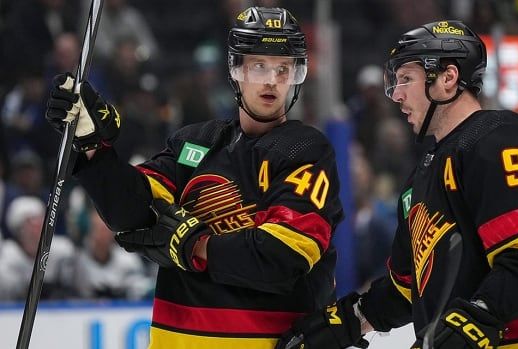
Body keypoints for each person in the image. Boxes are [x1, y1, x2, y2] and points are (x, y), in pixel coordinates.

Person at [277, 20, 518, 349]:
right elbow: (406, 290)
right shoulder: (420, 179)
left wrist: (473, 320)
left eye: (406, 79)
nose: (396, 94)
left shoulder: (500, 138)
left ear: (448, 78)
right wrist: (348, 321)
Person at [45, 6, 343, 349]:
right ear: (236, 70)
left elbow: (282, 257)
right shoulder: (194, 143)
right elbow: (130, 214)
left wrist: (194, 245)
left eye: (283, 68)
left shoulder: (305, 151)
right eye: (259, 66)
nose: (271, 80)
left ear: (296, 75)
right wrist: (95, 149)